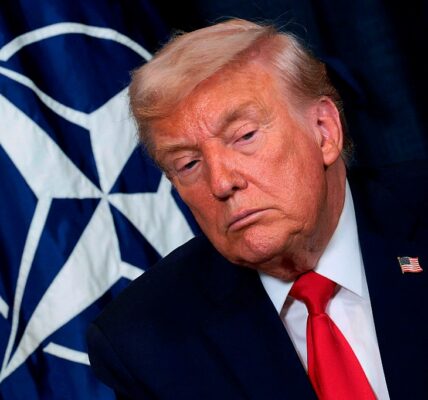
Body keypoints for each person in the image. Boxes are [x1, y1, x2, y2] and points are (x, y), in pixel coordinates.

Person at [87, 18, 428, 399]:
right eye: (188, 164)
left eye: (245, 136)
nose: (220, 183)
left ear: (324, 130)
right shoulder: (146, 342)